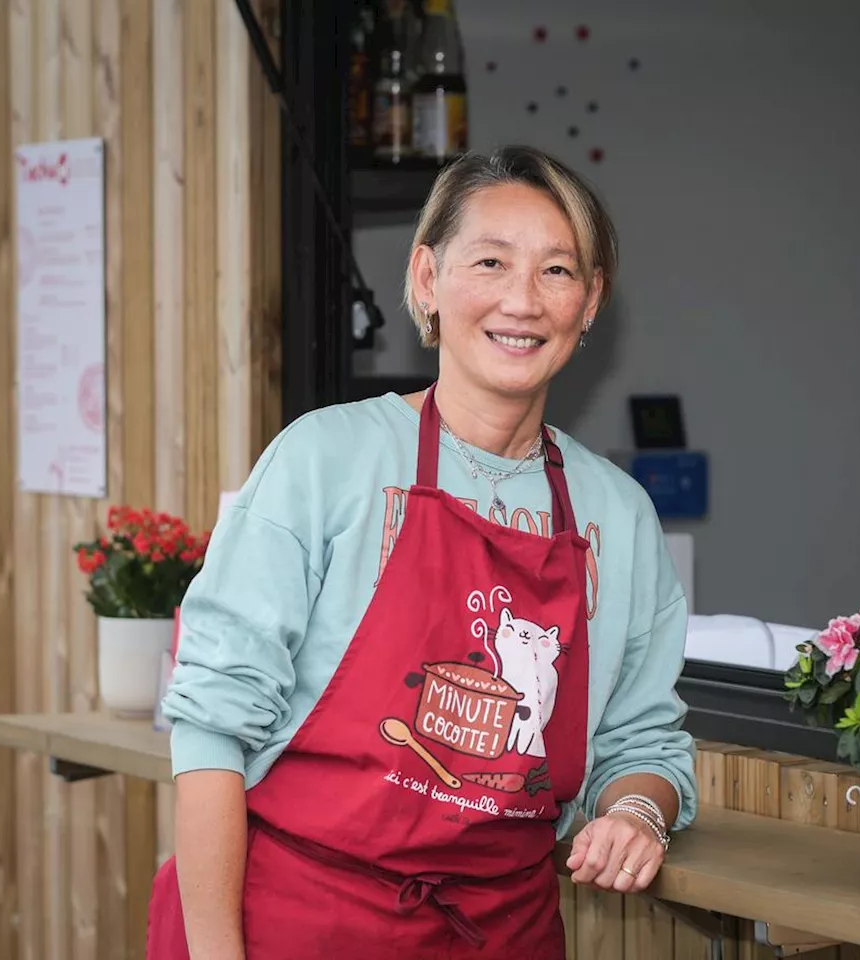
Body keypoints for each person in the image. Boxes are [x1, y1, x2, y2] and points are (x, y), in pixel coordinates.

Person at [146, 145, 698, 960]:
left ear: (590, 305)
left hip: (503, 933)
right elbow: (210, 732)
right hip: (296, 919)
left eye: (556, 271)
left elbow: (642, 743)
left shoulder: (616, 515)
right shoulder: (325, 460)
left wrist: (636, 813)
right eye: (490, 261)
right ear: (428, 279)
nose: (522, 299)